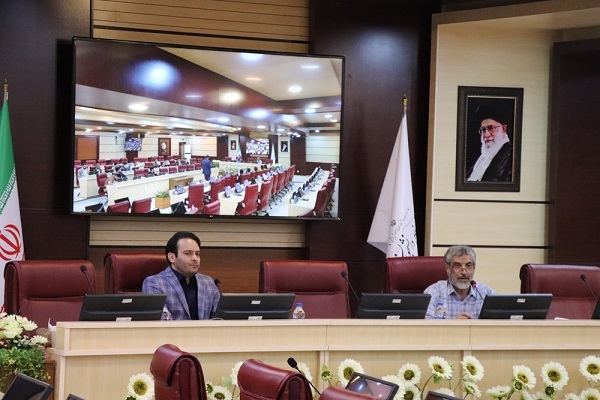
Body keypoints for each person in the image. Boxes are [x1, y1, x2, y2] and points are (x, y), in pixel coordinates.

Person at [142, 231, 220, 320]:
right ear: (172, 257)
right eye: (188, 253)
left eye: (197, 254)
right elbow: (162, 321)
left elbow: (220, 318)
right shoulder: (155, 284)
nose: (195, 258)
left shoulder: (208, 283)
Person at [424, 245, 494, 319]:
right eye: (457, 265)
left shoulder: (486, 294)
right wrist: (454, 324)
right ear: (447, 268)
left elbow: (500, 321)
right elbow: (425, 324)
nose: (464, 272)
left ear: (474, 268)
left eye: (468, 265)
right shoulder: (434, 292)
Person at [467, 106, 513, 182]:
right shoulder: (482, 158)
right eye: (483, 130)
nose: (486, 134)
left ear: (504, 129)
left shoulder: (511, 157)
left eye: (491, 128)